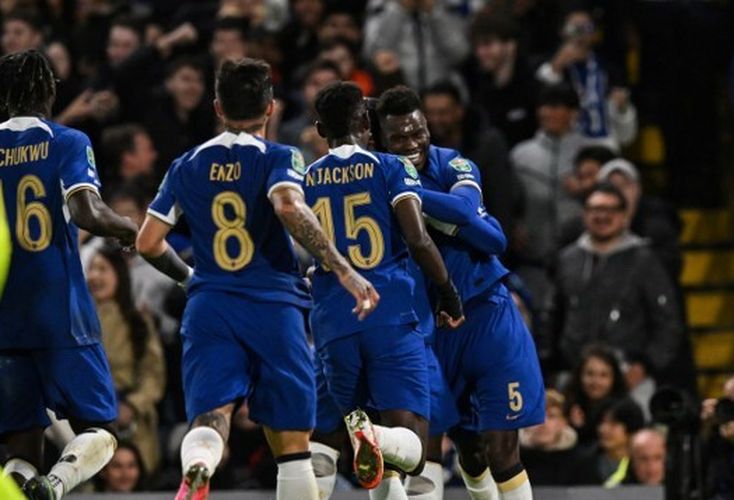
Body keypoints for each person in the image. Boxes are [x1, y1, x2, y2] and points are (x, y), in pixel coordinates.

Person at [136, 58, 378, 500]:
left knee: (212, 416)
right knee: (292, 446)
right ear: (270, 108)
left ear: (217, 107)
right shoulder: (280, 156)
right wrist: (343, 270)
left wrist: (190, 279)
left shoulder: (185, 164)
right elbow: (288, 206)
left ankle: (199, 463)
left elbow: (148, 242)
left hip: (211, 304)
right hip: (273, 305)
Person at [378, 85, 545, 500]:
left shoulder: (453, 162)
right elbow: (483, 233)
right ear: (382, 140)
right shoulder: (373, 178)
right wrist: (453, 221)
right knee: (443, 449)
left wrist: (405, 197)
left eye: (419, 132)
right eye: (399, 138)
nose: (413, 144)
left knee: (502, 450)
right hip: (430, 328)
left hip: (488, 316)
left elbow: (478, 222)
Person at [305, 81, 464, 498]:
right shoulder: (390, 167)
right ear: (365, 122)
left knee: (323, 443)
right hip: (389, 315)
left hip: (332, 321)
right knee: (412, 447)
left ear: (320, 131)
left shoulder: (304, 178)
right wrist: (448, 292)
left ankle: (357, 431)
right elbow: (417, 239)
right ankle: (373, 432)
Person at [0, 49, 138, 499]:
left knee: (20, 443)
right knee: (102, 428)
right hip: (60, 309)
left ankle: (31, 484)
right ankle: (56, 485)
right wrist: (127, 228)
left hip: (5, 315)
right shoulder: (67, 141)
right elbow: (87, 212)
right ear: (50, 91)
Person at [541, 184, 683, 382]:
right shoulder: (567, 259)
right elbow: (551, 315)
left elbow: (668, 322)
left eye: (610, 210)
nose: (602, 216)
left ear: (624, 215)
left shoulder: (645, 260)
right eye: (595, 209)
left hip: (630, 378)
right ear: (584, 214)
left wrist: (646, 366)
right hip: (573, 376)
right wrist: (550, 364)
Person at [510, 83, 609, 306]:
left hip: (583, 256)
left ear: (573, 113)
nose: (547, 112)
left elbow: (614, 191)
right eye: (543, 106)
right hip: (533, 258)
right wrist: (513, 226)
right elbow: (510, 201)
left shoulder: (592, 152)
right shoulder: (521, 155)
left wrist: (589, 185)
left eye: (555, 106)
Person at [87, 246, 166, 475]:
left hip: (132, 418)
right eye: (91, 269)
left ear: (119, 274)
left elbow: (154, 376)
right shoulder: (76, 320)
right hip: (89, 414)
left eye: (102, 269)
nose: (94, 276)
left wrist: (131, 406)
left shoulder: (138, 322)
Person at [422, 81, 519, 229]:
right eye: (430, 113)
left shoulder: (488, 143)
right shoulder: (424, 149)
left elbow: (502, 197)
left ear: (459, 111)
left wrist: (501, 240)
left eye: (442, 113)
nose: (435, 120)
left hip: (486, 229)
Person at [535, 8, 637, 148]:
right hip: (563, 146)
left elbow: (627, 135)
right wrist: (556, 67)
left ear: (595, 33)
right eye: (574, 28)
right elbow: (538, 101)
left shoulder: (608, 69)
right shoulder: (547, 64)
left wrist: (622, 109)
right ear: (562, 31)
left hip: (603, 143)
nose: (580, 33)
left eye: (586, 27)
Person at [363, 0, 470, 90]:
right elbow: (372, 54)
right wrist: (399, 10)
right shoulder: (380, 4)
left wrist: (434, 12)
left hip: (443, 90)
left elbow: (460, 54)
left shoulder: (449, 4)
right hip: (399, 89)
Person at [468, 11, 538, 148]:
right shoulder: (478, 88)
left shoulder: (533, 86)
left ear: (510, 45)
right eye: (477, 46)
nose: (480, 52)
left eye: (487, 44)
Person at [563, 345, 629, 447]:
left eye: (604, 375)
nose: (596, 382)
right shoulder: (567, 405)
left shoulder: (625, 411)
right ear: (579, 376)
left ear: (614, 379)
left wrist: (581, 430)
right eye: (590, 374)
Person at [577, 398, 645, 487]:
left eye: (613, 424)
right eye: (602, 423)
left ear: (631, 427)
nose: (603, 429)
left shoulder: (644, 461)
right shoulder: (583, 463)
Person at [519, 389, 583, 485]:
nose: (543, 423)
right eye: (537, 416)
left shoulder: (580, 463)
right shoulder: (512, 460)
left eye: (552, 416)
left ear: (563, 422)